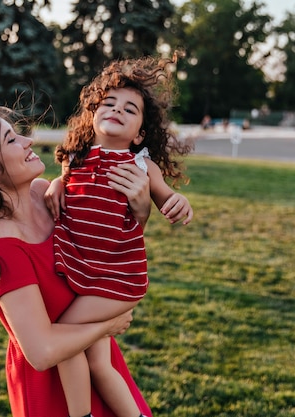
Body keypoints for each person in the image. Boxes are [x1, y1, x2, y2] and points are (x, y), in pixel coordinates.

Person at [0, 104, 153, 417]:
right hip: (53, 392)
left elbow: (106, 256)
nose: (27, 141)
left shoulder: (48, 195)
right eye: (11, 140)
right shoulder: (2, 243)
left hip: (101, 368)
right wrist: (107, 325)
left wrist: (141, 214)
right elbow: (41, 351)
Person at [44, 56, 193, 417]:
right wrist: (55, 182)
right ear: (93, 113)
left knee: (63, 338)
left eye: (130, 109)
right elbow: (66, 187)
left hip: (116, 281)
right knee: (98, 363)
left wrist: (179, 203)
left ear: (140, 133)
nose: (117, 110)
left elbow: (166, 198)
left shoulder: (142, 166)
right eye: (108, 104)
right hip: (81, 275)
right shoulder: (75, 160)